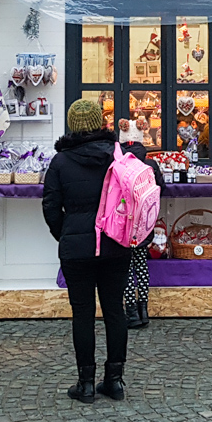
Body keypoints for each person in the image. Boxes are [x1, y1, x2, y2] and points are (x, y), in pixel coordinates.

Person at [43, 99, 132, 403]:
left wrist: (66, 234)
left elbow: (51, 207)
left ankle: (85, 384)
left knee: (82, 313)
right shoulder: (118, 157)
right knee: (114, 310)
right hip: (116, 243)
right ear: (100, 123)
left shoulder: (60, 162)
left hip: (76, 248)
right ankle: (115, 381)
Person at [120, 138, 164, 330]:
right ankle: (143, 309)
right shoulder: (151, 165)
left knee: (127, 269)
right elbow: (161, 187)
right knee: (141, 265)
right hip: (145, 223)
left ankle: (131, 312)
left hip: (127, 224)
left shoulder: (121, 165)